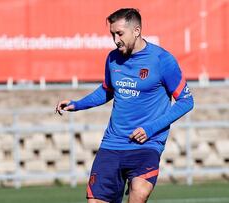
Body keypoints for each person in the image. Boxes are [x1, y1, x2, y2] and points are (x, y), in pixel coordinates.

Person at [55, 8, 194, 203]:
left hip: (147, 144)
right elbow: (107, 90)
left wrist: (150, 129)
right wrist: (77, 104)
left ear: (136, 31)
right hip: (112, 144)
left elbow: (186, 101)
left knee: (139, 193)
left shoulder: (162, 60)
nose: (115, 39)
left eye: (120, 33)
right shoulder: (113, 58)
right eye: (112, 34)